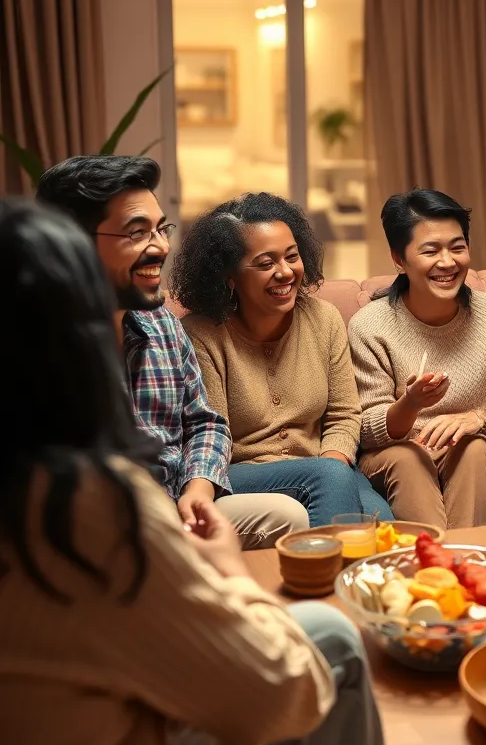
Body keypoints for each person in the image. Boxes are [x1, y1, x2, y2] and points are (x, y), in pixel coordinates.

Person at [0, 199, 421, 745]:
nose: (156, 248)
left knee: (346, 563)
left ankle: (370, 602)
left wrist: (325, 457)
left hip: (89, 726)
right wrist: (229, 569)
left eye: (160, 230)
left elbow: (215, 427)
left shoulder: (312, 322)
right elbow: (276, 697)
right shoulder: (97, 505)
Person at [36, 156, 308, 548]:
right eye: (137, 232)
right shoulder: (33, 344)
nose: (161, 246)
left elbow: (205, 423)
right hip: (91, 532)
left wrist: (198, 489)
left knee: (287, 517)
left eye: (161, 229)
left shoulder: (160, 321)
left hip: (176, 508)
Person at [172, 193, 392, 527]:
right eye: (265, 264)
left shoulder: (324, 318)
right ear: (229, 276)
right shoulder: (202, 334)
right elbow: (210, 433)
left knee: (382, 522)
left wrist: (332, 464)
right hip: (239, 477)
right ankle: (321, 579)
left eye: (292, 256)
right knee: (332, 485)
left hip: (321, 468)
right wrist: (327, 476)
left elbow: (344, 415)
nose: (285, 272)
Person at [350, 189, 486, 529]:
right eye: (430, 250)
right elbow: (364, 429)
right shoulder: (370, 325)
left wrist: (477, 419)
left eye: (457, 247)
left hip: (474, 449)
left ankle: (458, 564)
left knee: (475, 450)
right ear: (399, 259)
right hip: (398, 454)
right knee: (409, 457)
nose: (448, 262)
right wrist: (410, 403)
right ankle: (445, 567)